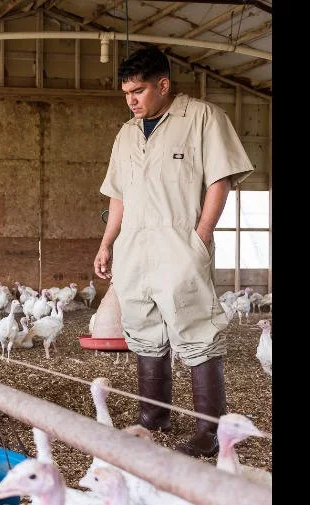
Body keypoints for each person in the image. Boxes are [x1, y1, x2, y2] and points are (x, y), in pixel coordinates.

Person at [93, 46, 253, 458]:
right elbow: (118, 197)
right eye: (126, 91)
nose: (131, 99)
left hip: (179, 242)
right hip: (133, 246)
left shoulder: (201, 118)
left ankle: (209, 431)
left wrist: (200, 234)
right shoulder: (126, 134)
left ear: (163, 85)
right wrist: (108, 243)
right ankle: (154, 416)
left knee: (196, 327)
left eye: (139, 90)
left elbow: (221, 180)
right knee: (142, 328)